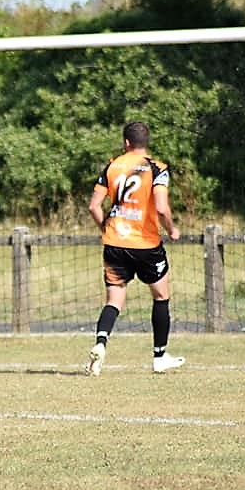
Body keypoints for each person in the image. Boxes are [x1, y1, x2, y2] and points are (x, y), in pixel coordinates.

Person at [87, 120, 185, 377]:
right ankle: (159, 356)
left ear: (126, 142)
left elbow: (94, 207)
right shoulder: (158, 168)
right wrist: (172, 230)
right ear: (145, 142)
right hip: (145, 243)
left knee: (114, 300)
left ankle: (100, 343)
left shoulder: (112, 165)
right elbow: (162, 208)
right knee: (161, 295)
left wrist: (105, 228)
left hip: (114, 242)